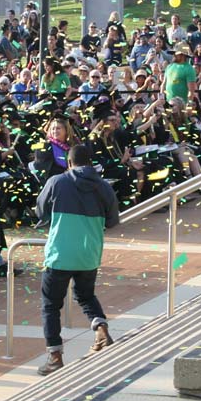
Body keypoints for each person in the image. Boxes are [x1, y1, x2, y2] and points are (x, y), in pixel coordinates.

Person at [34, 143, 119, 376]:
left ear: (68, 163)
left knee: (51, 305)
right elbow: (113, 220)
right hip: (89, 253)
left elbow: (40, 212)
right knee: (85, 295)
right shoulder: (103, 186)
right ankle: (100, 328)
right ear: (90, 162)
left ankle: (55, 355)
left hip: (60, 253)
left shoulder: (57, 182)